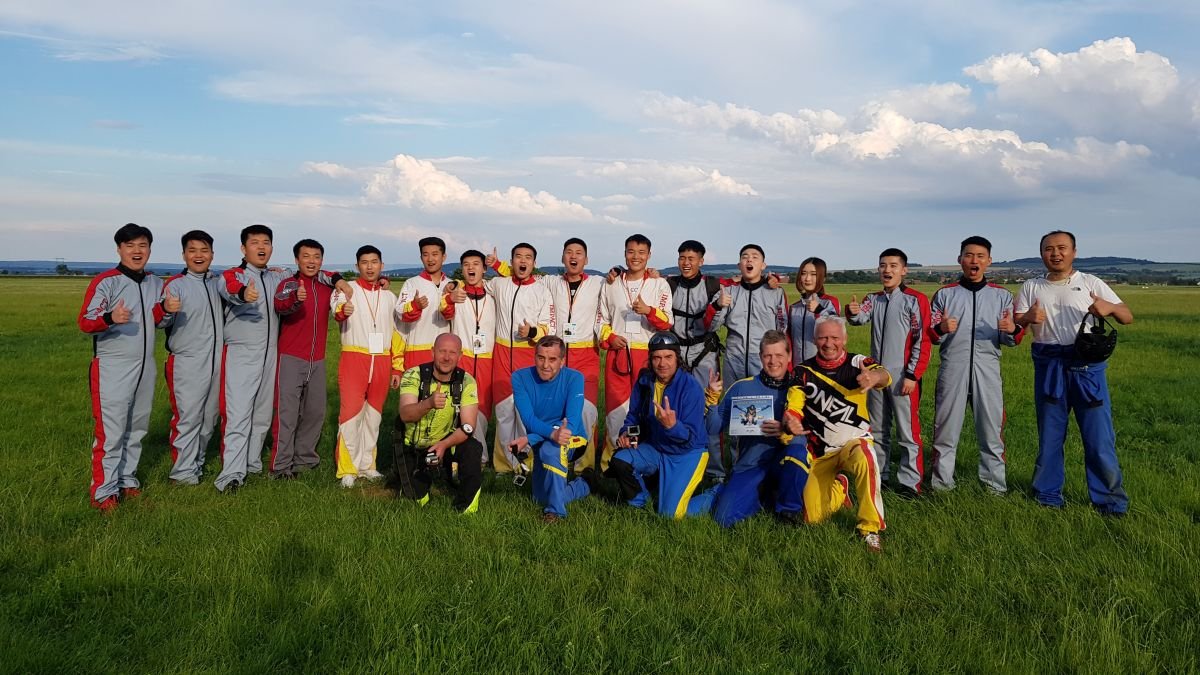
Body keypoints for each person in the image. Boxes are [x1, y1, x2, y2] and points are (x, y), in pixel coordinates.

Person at [214, 224, 351, 493]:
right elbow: (269, 300)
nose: (261, 247)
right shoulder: (242, 276)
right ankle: (234, 474)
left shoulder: (280, 275)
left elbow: (322, 274)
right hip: (252, 354)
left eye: (266, 242)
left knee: (265, 415)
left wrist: (339, 280)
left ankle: (256, 464)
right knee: (241, 414)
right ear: (243, 248)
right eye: (255, 242)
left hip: (277, 355)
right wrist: (244, 294)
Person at [1014, 230, 1132, 516]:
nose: (1055, 253)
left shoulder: (1090, 282)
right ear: (1041, 253)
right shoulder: (1031, 286)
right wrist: (1027, 318)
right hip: (1048, 364)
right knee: (1050, 436)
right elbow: (1017, 324)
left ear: (1074, 252)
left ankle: (1110, 503)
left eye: (1062, 248)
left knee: (1098, 437)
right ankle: (1047, 497)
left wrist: (1109, 308)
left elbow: (1127, 316)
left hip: (1087, 366)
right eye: (1049, 249)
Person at [486, 238, 605, 472]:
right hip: (552, 357)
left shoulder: (599, 282)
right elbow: (521, 272)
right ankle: (521, 462)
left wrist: (623, 273)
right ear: (562, 257)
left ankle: (583, 467)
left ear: (586, 259)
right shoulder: (549, 281)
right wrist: (498, 265)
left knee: (586, 412)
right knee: (531, 411)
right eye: (569, 252)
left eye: (578, 253)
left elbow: (620, 281)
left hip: (584, 355)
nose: (573, 256)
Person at [778, 316, 890, 552]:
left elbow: (883, 375)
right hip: (821, 452)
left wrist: (873, 377)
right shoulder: (802, 371)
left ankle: (870, 528)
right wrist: (791, 421)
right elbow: (794, 407)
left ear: (845, 339)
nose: (829, 343)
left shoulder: (858, 362)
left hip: (853, 443)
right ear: (814, 340)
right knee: (812, 517)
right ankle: (840, 487)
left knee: (866, 458)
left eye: (835, 338)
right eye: (823, 338)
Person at [78, 223, 171, 510]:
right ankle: (104, 492)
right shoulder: (106, 282)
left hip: (145, 365)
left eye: (142, 245)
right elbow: (86, 322)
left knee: (137, 427)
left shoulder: (156, 283)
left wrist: (167, 310)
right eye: (130, 245)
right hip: (113, 366)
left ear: (150, 249)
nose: (137, 251)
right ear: (119, 249)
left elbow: (159, 320)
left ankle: (126, 480)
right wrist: (110, 317)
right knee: (111, 431)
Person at [928, 236, 1023, 494]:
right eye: (969, 255)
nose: (974, 260)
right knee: (945, 430)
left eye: (980, 256)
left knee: (991, 431)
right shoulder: (945, 295)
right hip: (953, 368)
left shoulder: (1002, 296)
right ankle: (941, 486)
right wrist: (941, 328)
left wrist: (1012, 329)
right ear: (960, 259)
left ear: (989, 261)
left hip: (988, 369)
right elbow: (932, 336)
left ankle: (994, 487)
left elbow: (1012, 340)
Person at [846, 247, 932, 498]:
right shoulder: (873, 299)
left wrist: (913, 375)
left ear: (904, 270)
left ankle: (910, 483)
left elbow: (922, 340)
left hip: (903, 375)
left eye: (893, 266)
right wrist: (852, 312)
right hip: (876, 375)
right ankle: (880, 475)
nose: (887, 270)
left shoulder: (915, 300)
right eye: (883, 265)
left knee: (907, 432)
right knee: (877, 429)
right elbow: (860, 318)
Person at [607, 332, 718, 519]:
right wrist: (627, 433)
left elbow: (690, 438)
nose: (662, 363)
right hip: (657, 447)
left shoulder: (691, 387)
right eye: (656, 358)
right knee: (621, 460)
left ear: (677, 358)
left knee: (672, 515)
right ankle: (640, 505)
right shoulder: (645, 381)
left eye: (668, 357)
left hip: (687, 453)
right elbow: (633, 415)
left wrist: (672, 426)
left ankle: (716, 494)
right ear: (650, 359)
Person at [705, 330, 803, 527]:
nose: (773, 361)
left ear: (789, 356)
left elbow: (808, 435)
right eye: (767, 355)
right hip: (751, 465)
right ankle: (758, 494)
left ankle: (788, 511)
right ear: (760, 357)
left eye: (779, 355)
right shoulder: (742, 388)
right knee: (723, 519)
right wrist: (712, 398)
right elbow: (713, 428)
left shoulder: (799, 389)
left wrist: (785, 431)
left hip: (787, 463)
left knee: (798, 450)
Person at [271, 239, 344, 479]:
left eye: (316, 257)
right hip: (290, 358)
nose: (311, 261)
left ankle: (305, 460)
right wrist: (295, 298)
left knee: (315, 412)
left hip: (318, 360)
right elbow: (280, 305)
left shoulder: (326, 286)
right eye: (306, 256)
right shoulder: (289, 284)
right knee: (287, 414)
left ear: (321, 260)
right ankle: (281, 466)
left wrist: (339, 279)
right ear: (296, 260)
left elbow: (339, 284)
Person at [332, 245, 404, 488]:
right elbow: (337, 311)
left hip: (382, 360)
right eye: (364, 262)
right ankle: (347, 469)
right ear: (357, 266)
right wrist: (343, 310)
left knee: (373, 417)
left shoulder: (389, 297)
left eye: (374, 262)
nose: (370, 267)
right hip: (355, 358)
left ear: (382, 265)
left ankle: (367, 465)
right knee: (350, 416)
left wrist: (397, 368)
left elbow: (396, 334)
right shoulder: (346, 290)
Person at [599, 234, 673, 470]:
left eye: (641, 253)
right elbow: (601, 319)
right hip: (619, 354)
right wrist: (610, 337)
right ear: (624, 254)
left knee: (648, 410)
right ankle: (611, 463)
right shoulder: (610, 283)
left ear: (649, 255)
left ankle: (645, 461)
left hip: (648, 356)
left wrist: (648, 311)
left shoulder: (659, 284)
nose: (636, 257)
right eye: (631, 252)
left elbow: (667, 321)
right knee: (616, 411)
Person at [158, 230, 222, 486]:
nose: (199, 255)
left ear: (212, 254)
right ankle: (182, 473)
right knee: (188, 417)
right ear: (184, 254)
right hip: (187, 361)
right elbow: (160, 321)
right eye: (192, 250)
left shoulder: (217, 282)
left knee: (210, 417)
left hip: (216, 360)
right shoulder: (175, 285)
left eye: (204, 250)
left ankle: (197, 463)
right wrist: (165, 309)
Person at [394, 333, 483, 513]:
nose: (447, 357)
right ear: (432, 352)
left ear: (460, 356)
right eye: (442, 351)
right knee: (415, 501)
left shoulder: (467, 381)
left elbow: (468, 427)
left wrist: (444, 444)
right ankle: (423, 476)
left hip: (446, 443)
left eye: (452, 352)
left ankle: (465, 507)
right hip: (414, 446)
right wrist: (428, 403)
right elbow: (405, 414)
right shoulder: (414, 375)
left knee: (473, 448)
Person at [664, 240, 728, 482]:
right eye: (682, 258)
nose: (686, 263)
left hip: (704, 353)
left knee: (709, 410)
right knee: (675, 408)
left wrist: (717, 306)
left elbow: (714, 324)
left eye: (691, 258)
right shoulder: (669, 285)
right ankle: (680, 461)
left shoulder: (712, 286)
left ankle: (714, 471)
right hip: (677, 353)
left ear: (701, 261)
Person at [511, 335, 592, 522]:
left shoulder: (575, 378)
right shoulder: (519, 378)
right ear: (535, 357)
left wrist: (530, 439)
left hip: (573, 438)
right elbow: (529, 420)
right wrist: (549, 434)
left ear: (562, 361)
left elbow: (571, 424)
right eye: (541, 358)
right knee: (539, 498)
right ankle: (585, 484)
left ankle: (555, 513)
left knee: (550, 451)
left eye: (552, 359)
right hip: (546, 437)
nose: (545, 365)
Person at [487, 243, 552, 473]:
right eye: (518, 257)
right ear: (511, 261)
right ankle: (504, 465)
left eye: (528, 257)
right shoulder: (499, 284)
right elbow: (475, 286)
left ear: (534, 263)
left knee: (526, 415)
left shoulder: (542, 291)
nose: (522, 261)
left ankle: (528, 463)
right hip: (502, 356)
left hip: (528, 358)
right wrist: (454, 286)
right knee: (504, 413)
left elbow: (549, 326)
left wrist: (532, 332)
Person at [441, 250, 496, 452]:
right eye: (466, 264)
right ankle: (461, 452)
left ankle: (478, 453)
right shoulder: (456, 294)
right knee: (460, 405)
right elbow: (444, 311)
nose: (471, 268)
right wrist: (450, 297)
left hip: (487, 358)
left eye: (476, 264)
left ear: (484, 268)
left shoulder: (493, 294)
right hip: (462, 358)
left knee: (483, 406)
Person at [719, 244, 789, 387]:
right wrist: (717, 306)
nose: (749, 260)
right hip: (733, 360)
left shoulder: (776, 293)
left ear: (763, 265)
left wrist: (775, 355)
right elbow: (713, 326)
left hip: (763, 360)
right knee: (734, 398)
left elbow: (782, 328)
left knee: (765, 398)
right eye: (745, 257)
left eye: (755, 257)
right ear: (739, 265)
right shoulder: (729, 292)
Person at [395, 236, 451, 369]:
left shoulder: (451, 285)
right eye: (425, 255)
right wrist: (415, 306)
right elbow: (400, 313)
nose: (430, 259)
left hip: (445, 355)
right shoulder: (411, 283)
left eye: (435, 254)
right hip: (417, 353)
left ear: (444, 257)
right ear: (421, 258)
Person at [788, 256, 840, 366]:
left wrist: (819, 310)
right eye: (803, 273)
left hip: (822, 368)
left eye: (813, 274)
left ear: (823, 278)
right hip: (798, 368)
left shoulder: (829, 302)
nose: (807, 278)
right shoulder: (794, 308)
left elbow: (836, 329)